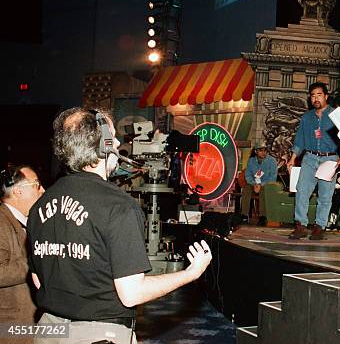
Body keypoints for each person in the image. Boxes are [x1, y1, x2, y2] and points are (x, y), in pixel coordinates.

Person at [27, 107, 212, 344]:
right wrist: (190, 273)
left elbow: (38, 280)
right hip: (99, 335)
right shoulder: (119, 205)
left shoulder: (40, 205)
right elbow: (132, 293)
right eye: (112, 137)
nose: (116, 142)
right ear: (103, 144)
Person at [287, 83, 340, 240]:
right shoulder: (307, 118)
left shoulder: (336, 115)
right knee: (302, 191)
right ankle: (300, 225)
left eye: (319, 95)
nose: (316, 98)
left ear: (326, 96)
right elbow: (300, 139)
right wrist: (293, 158)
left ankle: (319, 227)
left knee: (325, 195)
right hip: (310, 158)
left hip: (330, 158)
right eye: (313, 95)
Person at [1, 165, 44, 340]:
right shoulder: (2, 222)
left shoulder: (30, 221)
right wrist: (37, 260)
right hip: (11, 328)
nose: (43, 190)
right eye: (37, 184)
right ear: (18, 191)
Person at [240, 140, 278, 226]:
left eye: (265, 150)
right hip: (254, 184)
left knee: (263, 191)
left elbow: (273, 177)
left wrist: (261, 185)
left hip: (266, 185)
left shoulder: (272, 161)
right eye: (261, 150)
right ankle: (244, 216)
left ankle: (262, 217)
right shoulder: (251, 161)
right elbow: (248, 175)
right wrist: (254, 184)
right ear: (256, 151)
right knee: (246, 189)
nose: (263, 152)